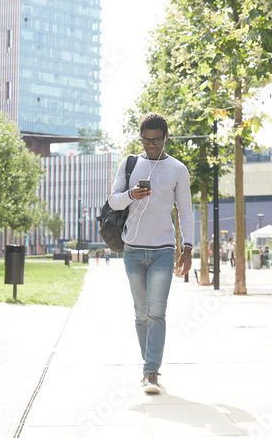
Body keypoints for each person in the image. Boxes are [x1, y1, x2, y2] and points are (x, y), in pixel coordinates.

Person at [107, 112, 192, 395]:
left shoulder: (178, 169)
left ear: (166, 137)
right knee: (141, 314)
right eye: (146, 140)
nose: (151, 145)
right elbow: (113, 201)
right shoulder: (130, 164)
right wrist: (132, 195)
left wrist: (188, 248)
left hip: (163, 251)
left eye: (156, 140)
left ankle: (151, 372)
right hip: (132, 249)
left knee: (156, 313)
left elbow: (186, 211)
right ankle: (149, 364)